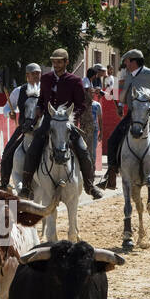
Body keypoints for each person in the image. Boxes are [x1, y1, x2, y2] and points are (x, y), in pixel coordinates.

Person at [18, 48, 103, 200]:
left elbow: (81, 104)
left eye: (59, 62)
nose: (56, 65)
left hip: (66, 123)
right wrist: (38, 108)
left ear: (66, 62)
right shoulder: (45, 78)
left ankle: (90, 185)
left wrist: (69, 116)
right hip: (48, 121)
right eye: (54, 62)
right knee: (33, 148)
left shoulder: (75, 81)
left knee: (83, 150)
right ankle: (26, 185)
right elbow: (42, 100)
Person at [101, 49, 150, 191]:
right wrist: (120, 105)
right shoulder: (129, 75)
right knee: (112, 140)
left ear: (134, 61)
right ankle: (110, 176)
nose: (125, 64)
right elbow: (126, 93)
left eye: (127, 61)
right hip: (132, 114)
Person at [0, 62, 41, 190]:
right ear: (27, 75)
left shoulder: (46, 90)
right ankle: (4, 182)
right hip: (24, 129)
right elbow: (6, 108)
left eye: (38, 73)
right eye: (34, 74)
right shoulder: (19, 91)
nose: (37, 76)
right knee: (8, 151)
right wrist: (9, 113)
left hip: (42, 129)